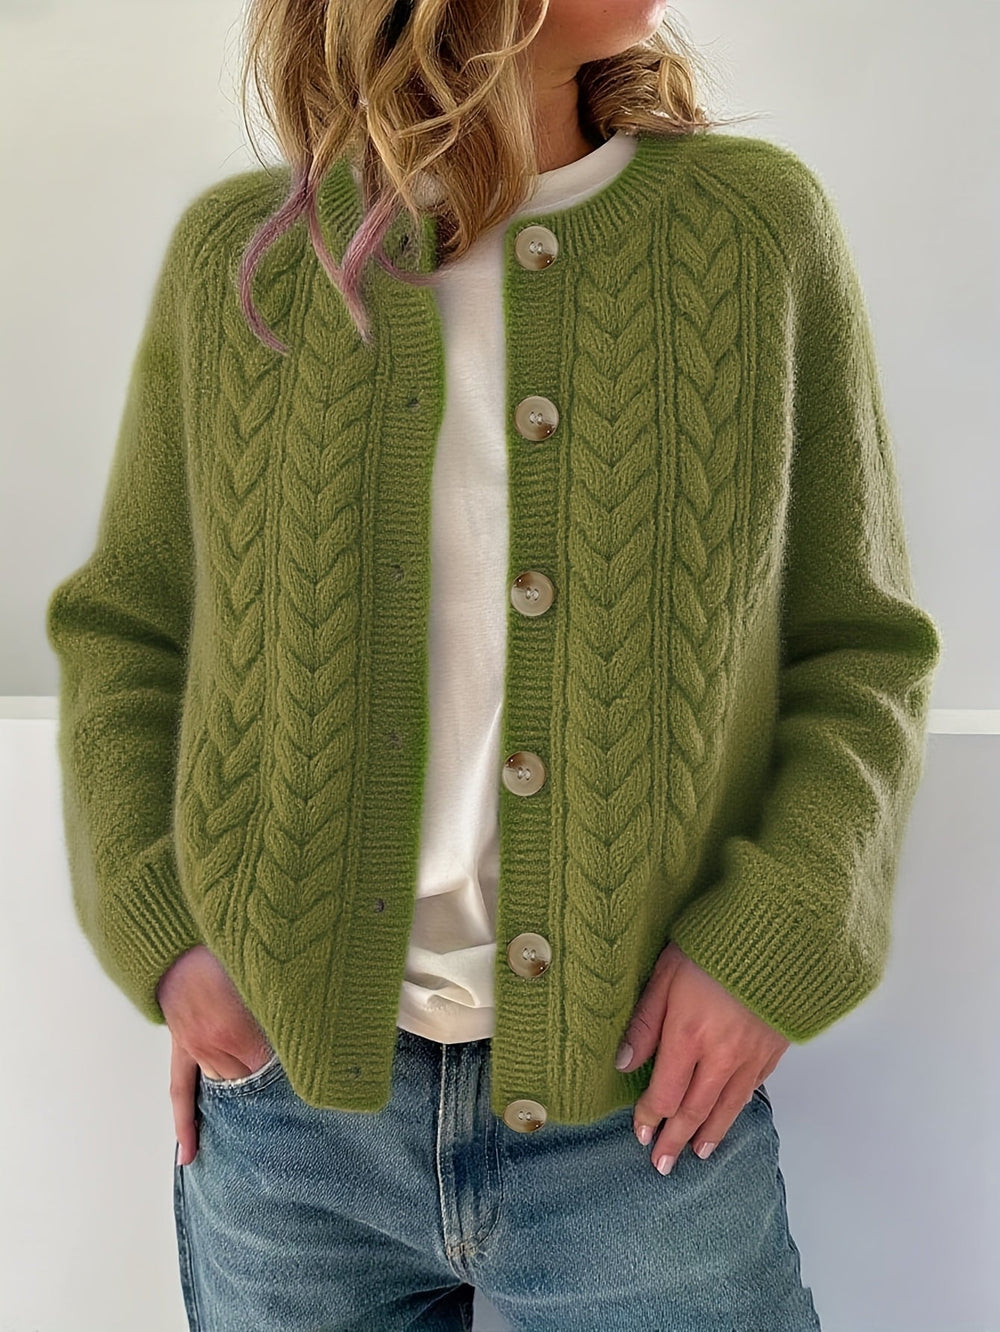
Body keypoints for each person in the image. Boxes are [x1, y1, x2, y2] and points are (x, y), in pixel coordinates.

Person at [45, 0, 942, 1328]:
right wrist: (169, 938)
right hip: (294, 1132)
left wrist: (774, 942)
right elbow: (129, 635)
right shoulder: (247, 261)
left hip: (639, 1122)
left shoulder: (755, 233)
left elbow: (857, 649)